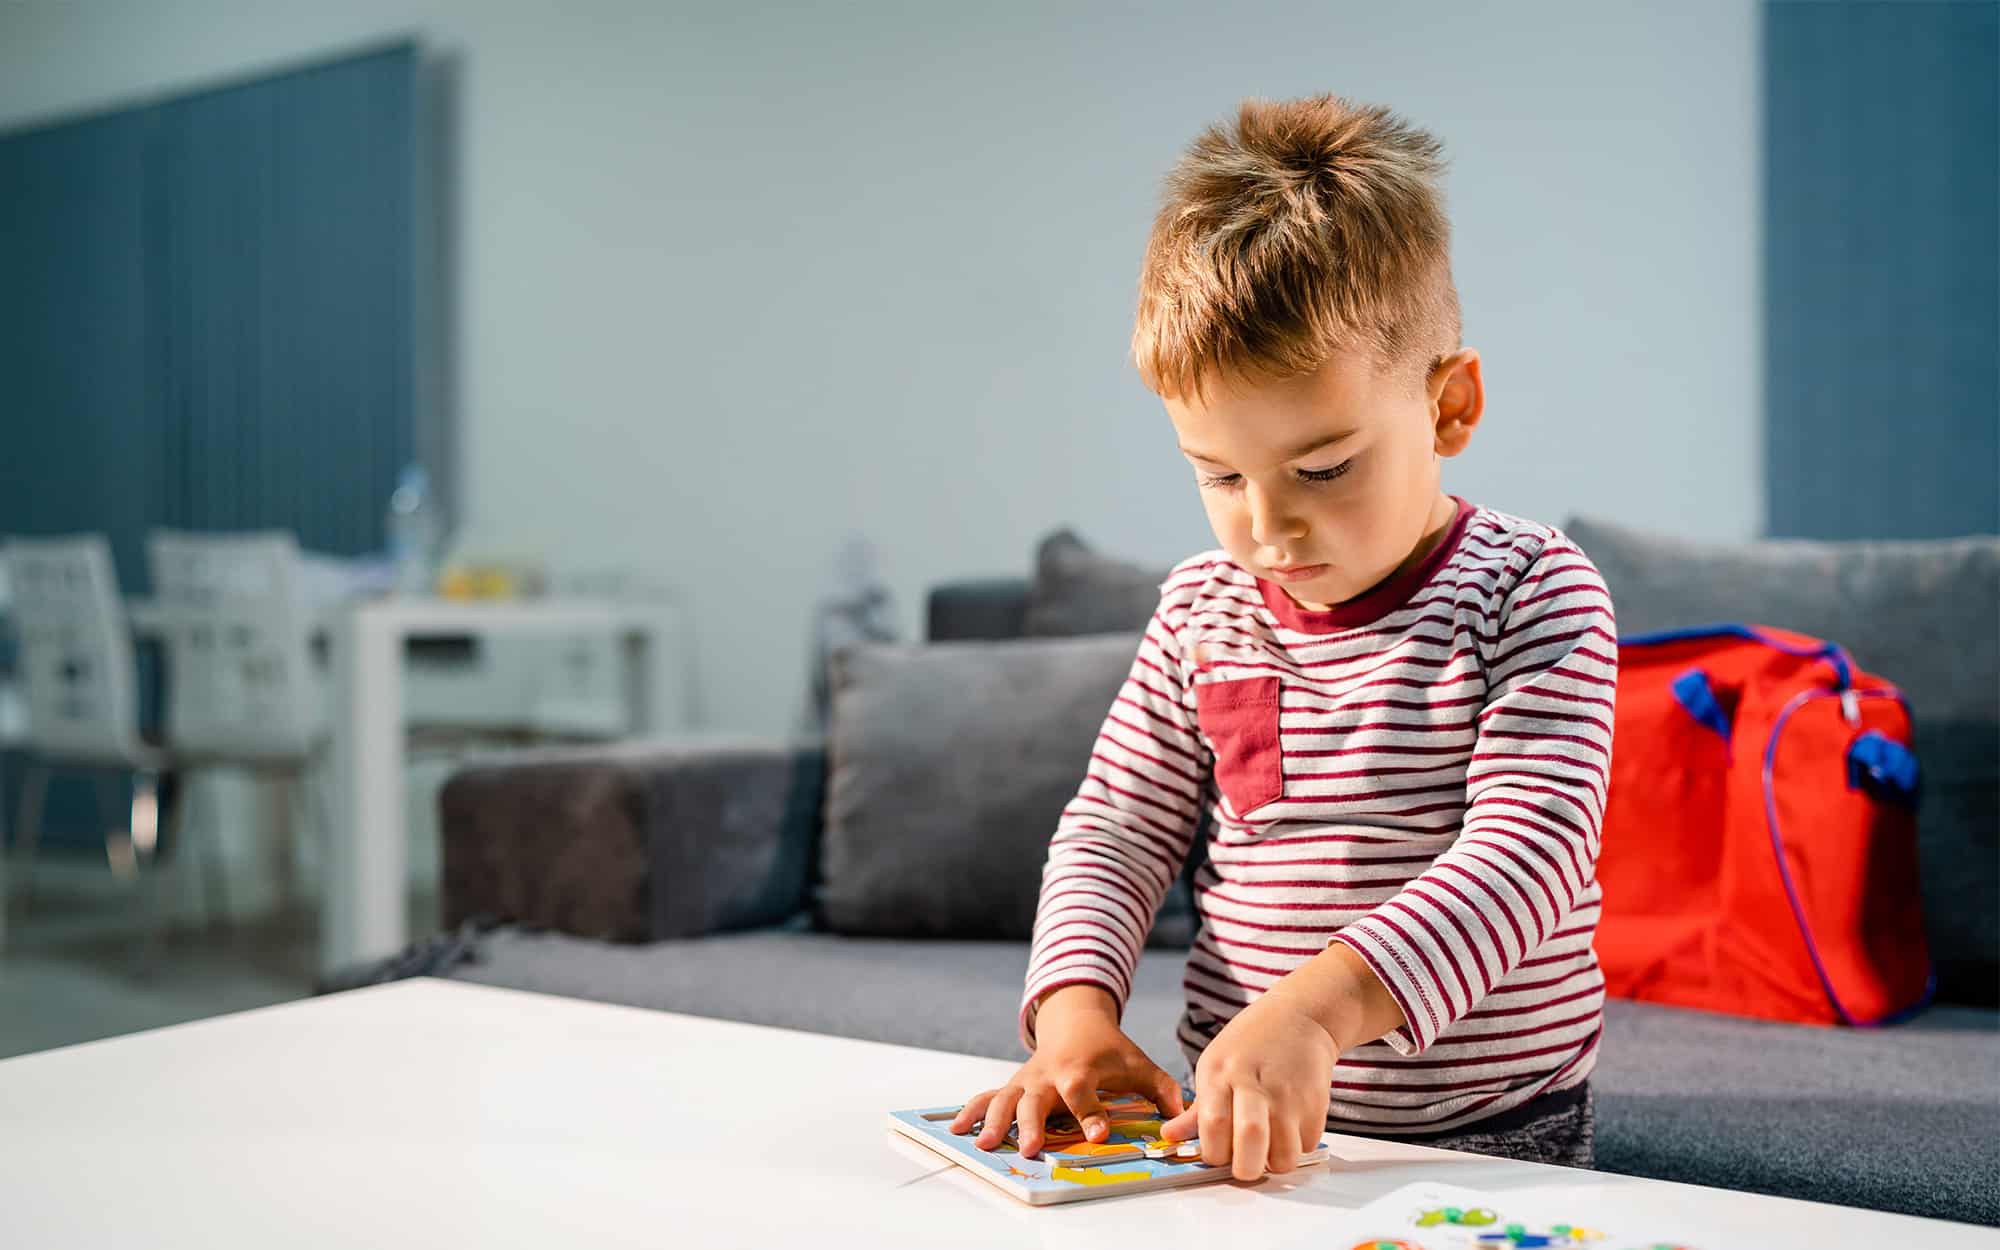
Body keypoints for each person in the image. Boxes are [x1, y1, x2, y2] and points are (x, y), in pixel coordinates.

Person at [950, 93, 1617, 1179]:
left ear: (1448, 408)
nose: (1266, 525)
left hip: (1492, 1131)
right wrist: (1071, 1015)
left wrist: (1313, 1011)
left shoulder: (1532, 591)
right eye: (1217, 473)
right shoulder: (1200, 608)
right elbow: (1115, 828)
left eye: (1320, 468)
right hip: (1231, 1128)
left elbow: (1528, 853)